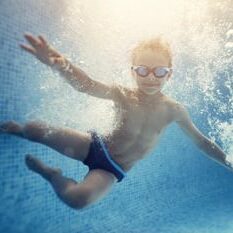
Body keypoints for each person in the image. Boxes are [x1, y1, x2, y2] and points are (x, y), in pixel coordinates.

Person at [0, 33, 232, 210]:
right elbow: (86, 85)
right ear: (133, 72)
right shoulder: (123, 94)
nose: (151, 77)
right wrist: (60, 64)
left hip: (111, 168)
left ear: (169, 74)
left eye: (159, 71)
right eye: (143, 70)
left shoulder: (174, 110)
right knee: (33, 129)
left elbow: (201, 142)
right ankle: (19, 130)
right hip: (93, 145)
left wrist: (228, 161)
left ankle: (51, 174)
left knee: (78, 200)